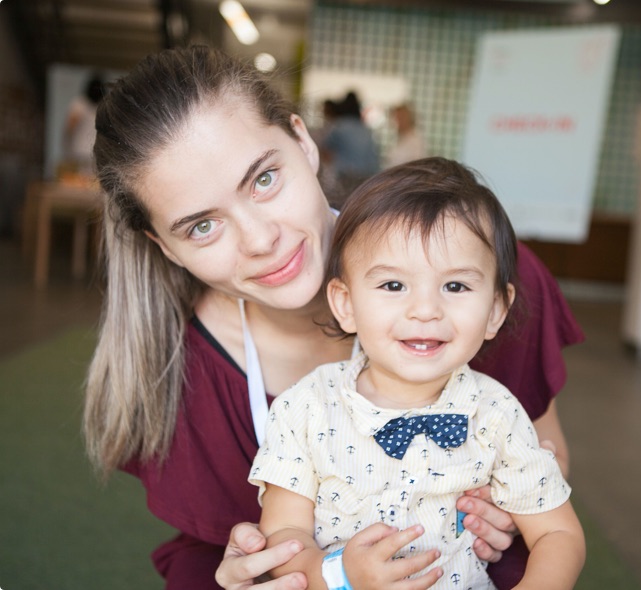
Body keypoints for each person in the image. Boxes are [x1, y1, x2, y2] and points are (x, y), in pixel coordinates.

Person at [82, 46, 583, 590]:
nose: (261, 240)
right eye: (202, 226)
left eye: (264, 179)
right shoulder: (183, 378)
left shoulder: (477, 277)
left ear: (303, 141)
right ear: (167, 247)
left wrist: (511, 506)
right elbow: (221, 558)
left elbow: (550, 468)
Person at [250, 157, 585, 589]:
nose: (425, 310)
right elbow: (284, 536)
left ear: (496, 311)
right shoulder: (306, 408)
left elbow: (558, 533)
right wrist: (340, 574)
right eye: (393, 285)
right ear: (346, 303)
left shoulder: (497, 413)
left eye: (456, 286)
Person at [319, 91, 381, 208]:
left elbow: (325, 152)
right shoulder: (365, 129)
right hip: (367, 179)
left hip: (345, 177)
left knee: (342, 208)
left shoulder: (339, 125)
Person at [62, 73, 105, 176]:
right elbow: (70, 127)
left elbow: (69, 128)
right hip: (83, 153)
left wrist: (66, 145)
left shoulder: (80, 104)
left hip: (88, 152)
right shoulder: (81, 104)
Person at [384, 103, 427, 168]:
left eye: (400, 118)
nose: (396, 122)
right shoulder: (401, 139)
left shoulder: (415, 142)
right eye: (395, 118)